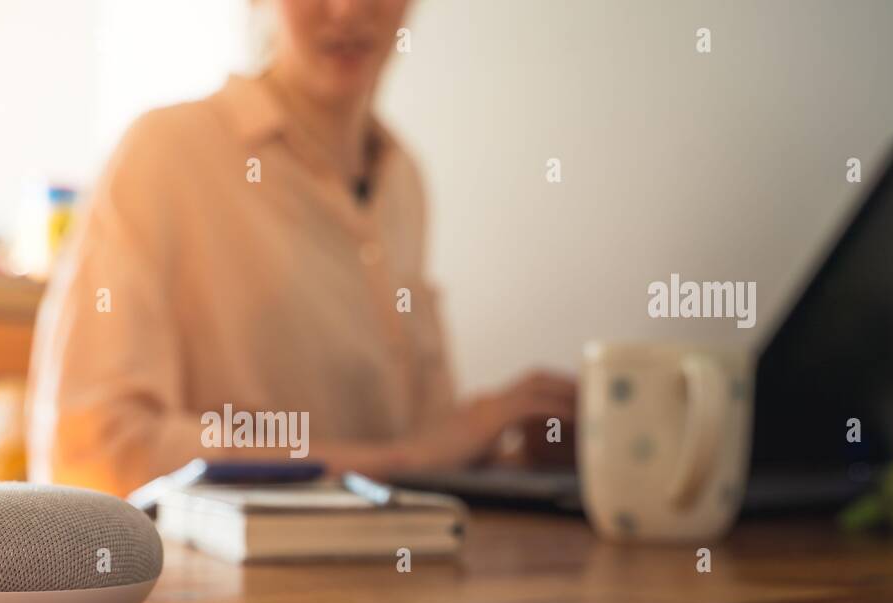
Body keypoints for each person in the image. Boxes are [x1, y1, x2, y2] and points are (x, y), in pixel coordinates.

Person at [28, 0, 575, 497]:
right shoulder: (163, 154)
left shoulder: (405, 180)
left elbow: (429, 445)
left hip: (393, 579)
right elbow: (94, 454)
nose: (347, 9)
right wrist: (401, 461)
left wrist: (507, 446)